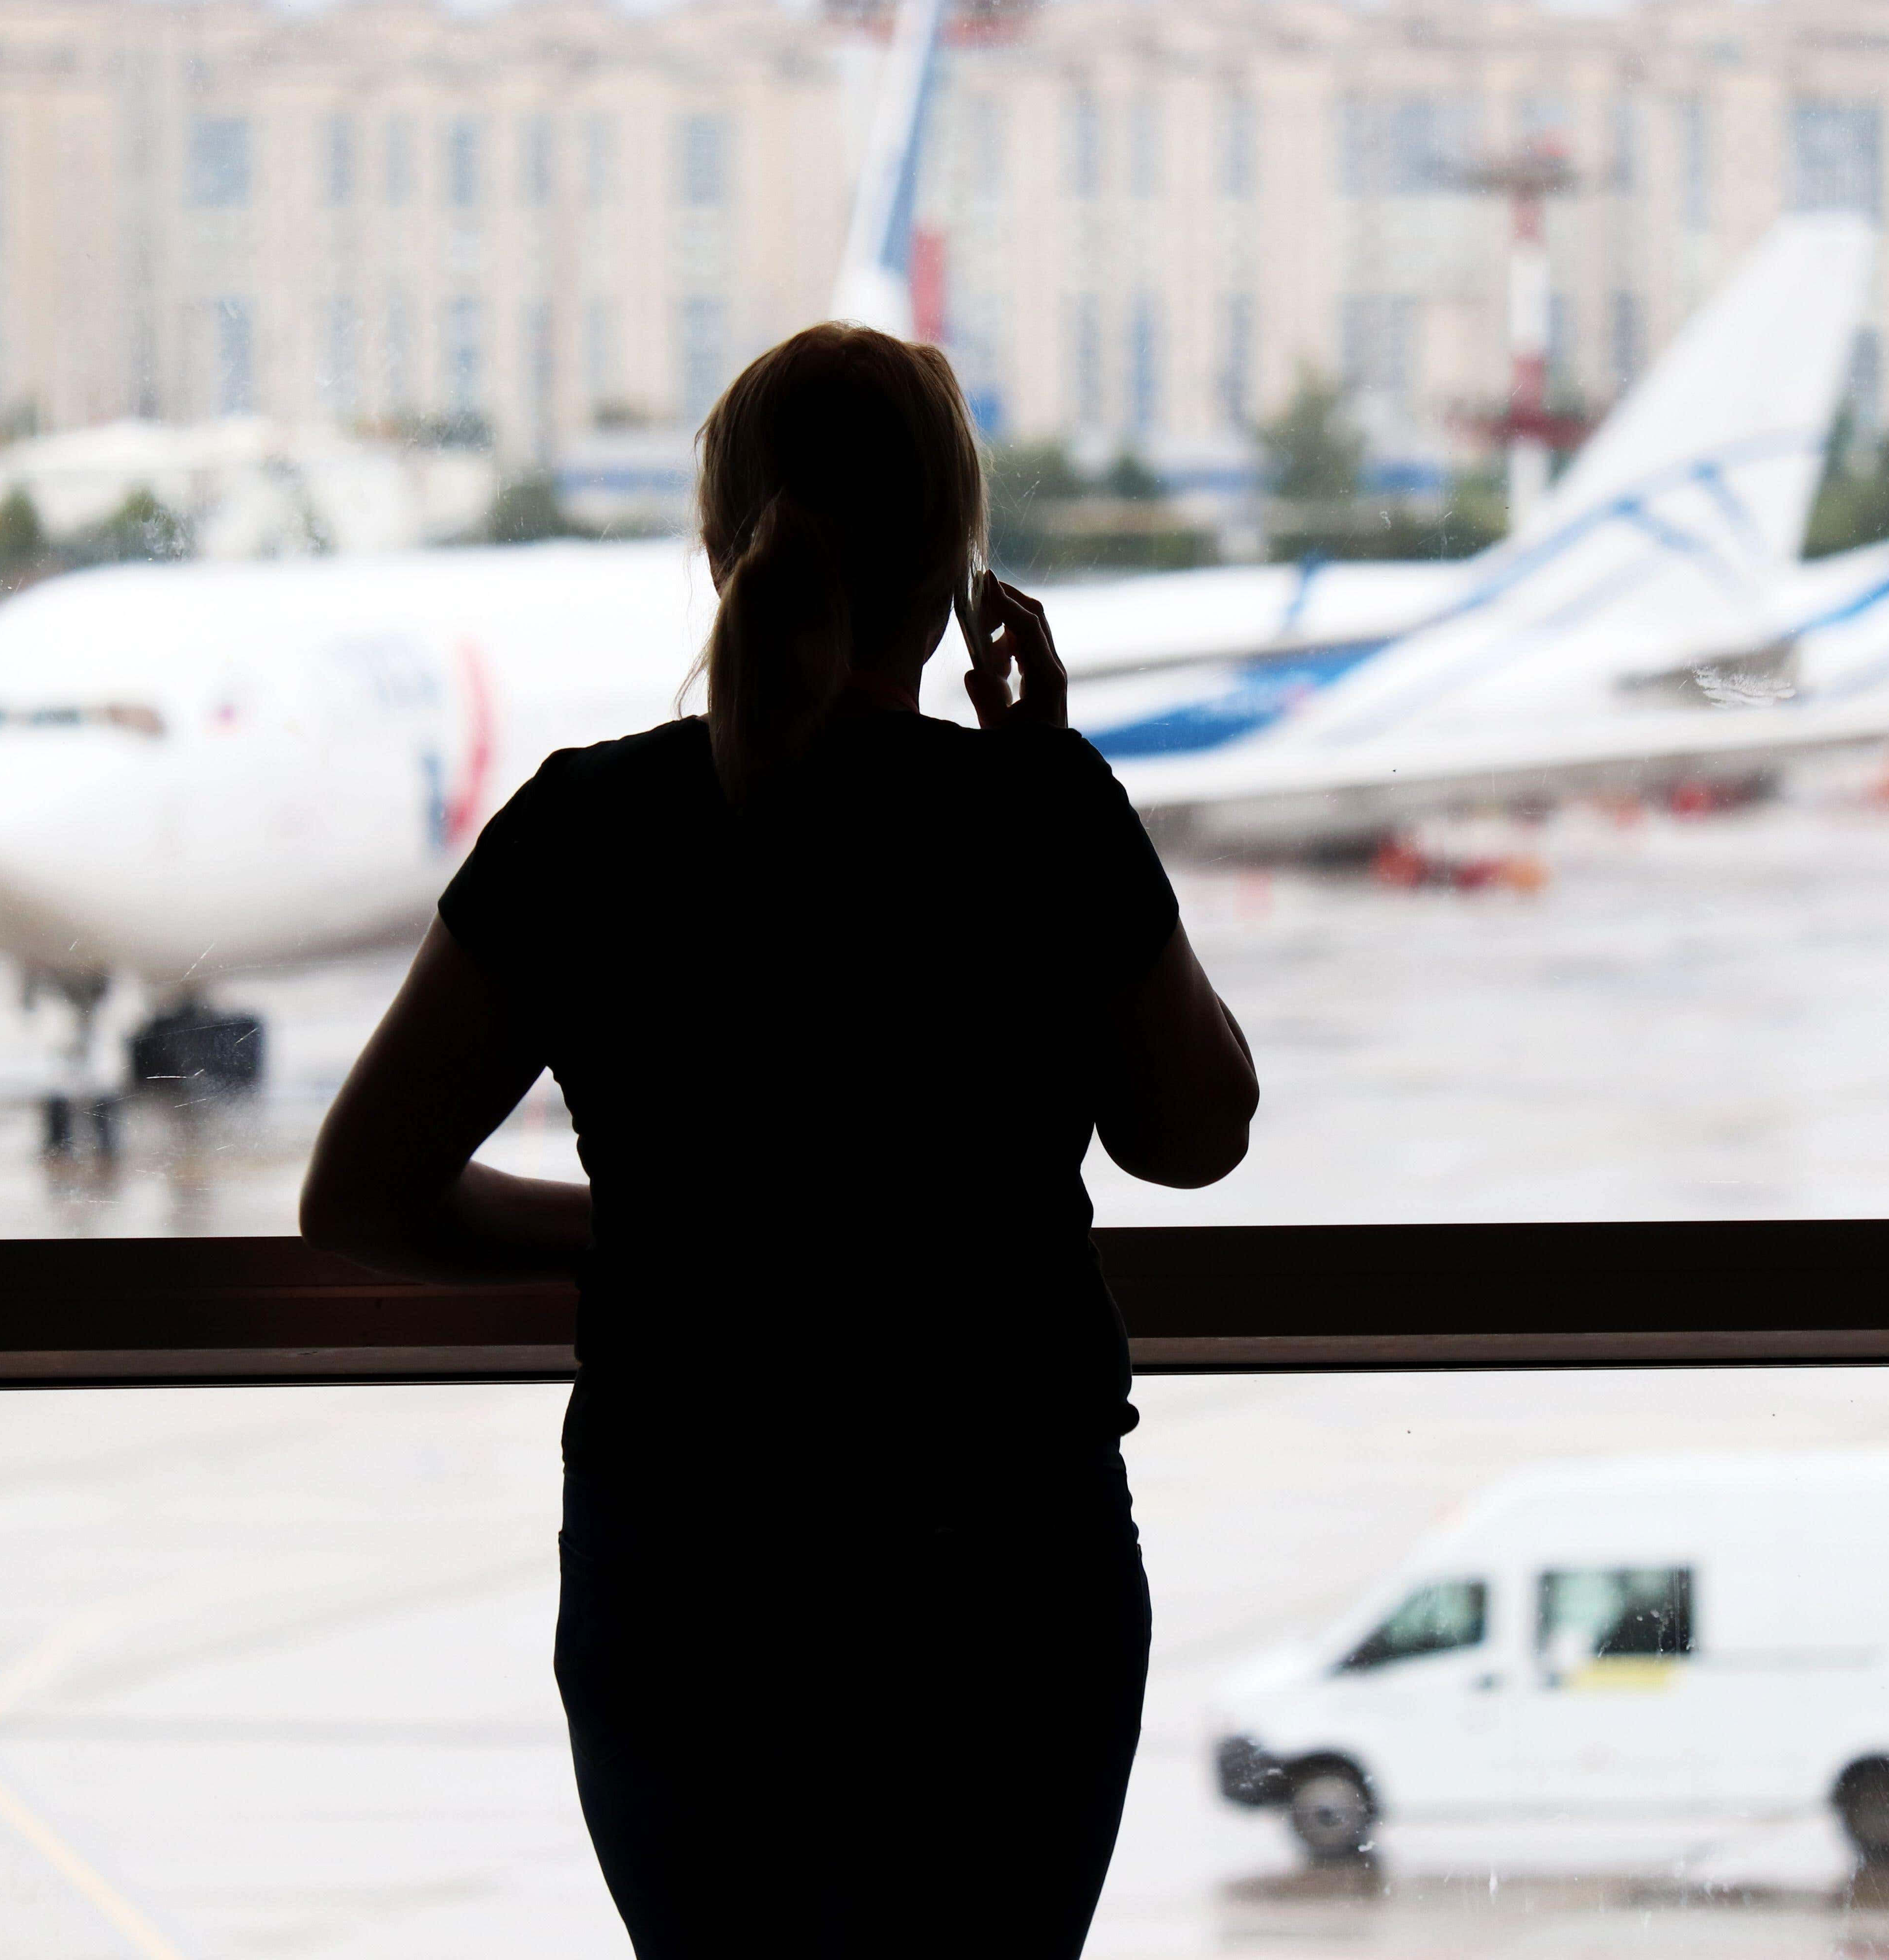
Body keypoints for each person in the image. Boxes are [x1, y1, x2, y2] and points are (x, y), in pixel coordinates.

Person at [299, 321, 1259, 1959]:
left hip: (683, 1561)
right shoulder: (1033, 817)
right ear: (960, 563)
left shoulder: (584, 830)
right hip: (998, 1560)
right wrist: (1048, 784)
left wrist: (615, 1235)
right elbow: (1195, 1135)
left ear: (717, 538)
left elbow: (362, 1197)